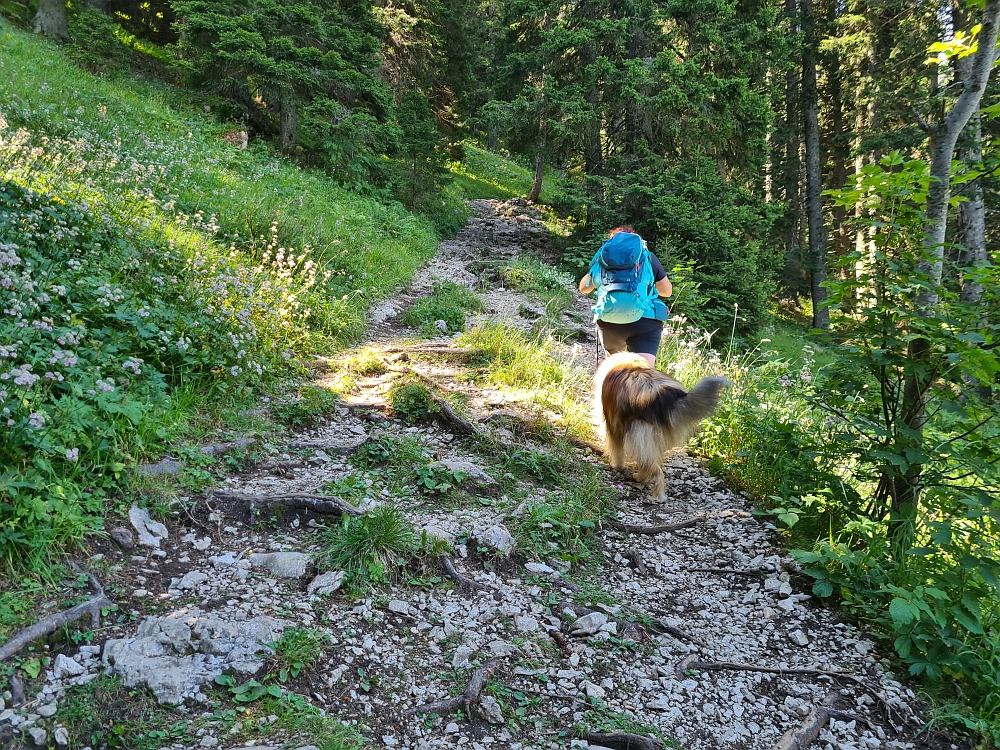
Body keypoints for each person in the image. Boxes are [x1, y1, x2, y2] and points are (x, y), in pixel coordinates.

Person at [578, 225, 672, 367]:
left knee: (615, 371)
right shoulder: (647, 257)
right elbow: (667, 291)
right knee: (643, 372)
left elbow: (583, 289)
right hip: (645, 321)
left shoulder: (603, 259)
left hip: (609, 320)